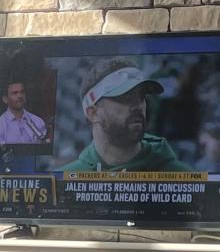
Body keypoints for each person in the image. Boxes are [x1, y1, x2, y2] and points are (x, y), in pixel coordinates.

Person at [59, 62, 189, 173]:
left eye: (141, 97)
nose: (138, 105)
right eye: (125, 97)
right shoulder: (64, 181)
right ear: (93, 113)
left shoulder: (183, 178)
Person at [0, 80, 49, 146]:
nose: (19, 96)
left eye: (22, 92)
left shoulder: (38, 122)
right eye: (14, 93)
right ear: (5, 99)